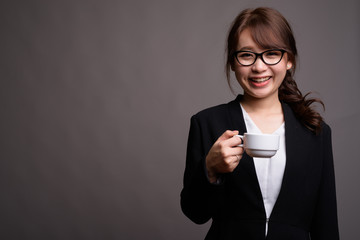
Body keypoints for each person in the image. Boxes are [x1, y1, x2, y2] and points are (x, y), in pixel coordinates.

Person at [180, 7, 339, 240]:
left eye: (271, 53)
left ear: (289, 60)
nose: (259, 66)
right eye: (246, 55)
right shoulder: (207, 123)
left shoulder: (315, 132)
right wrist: (211, 169)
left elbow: (326, 225)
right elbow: (195, 212)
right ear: (233, 63)